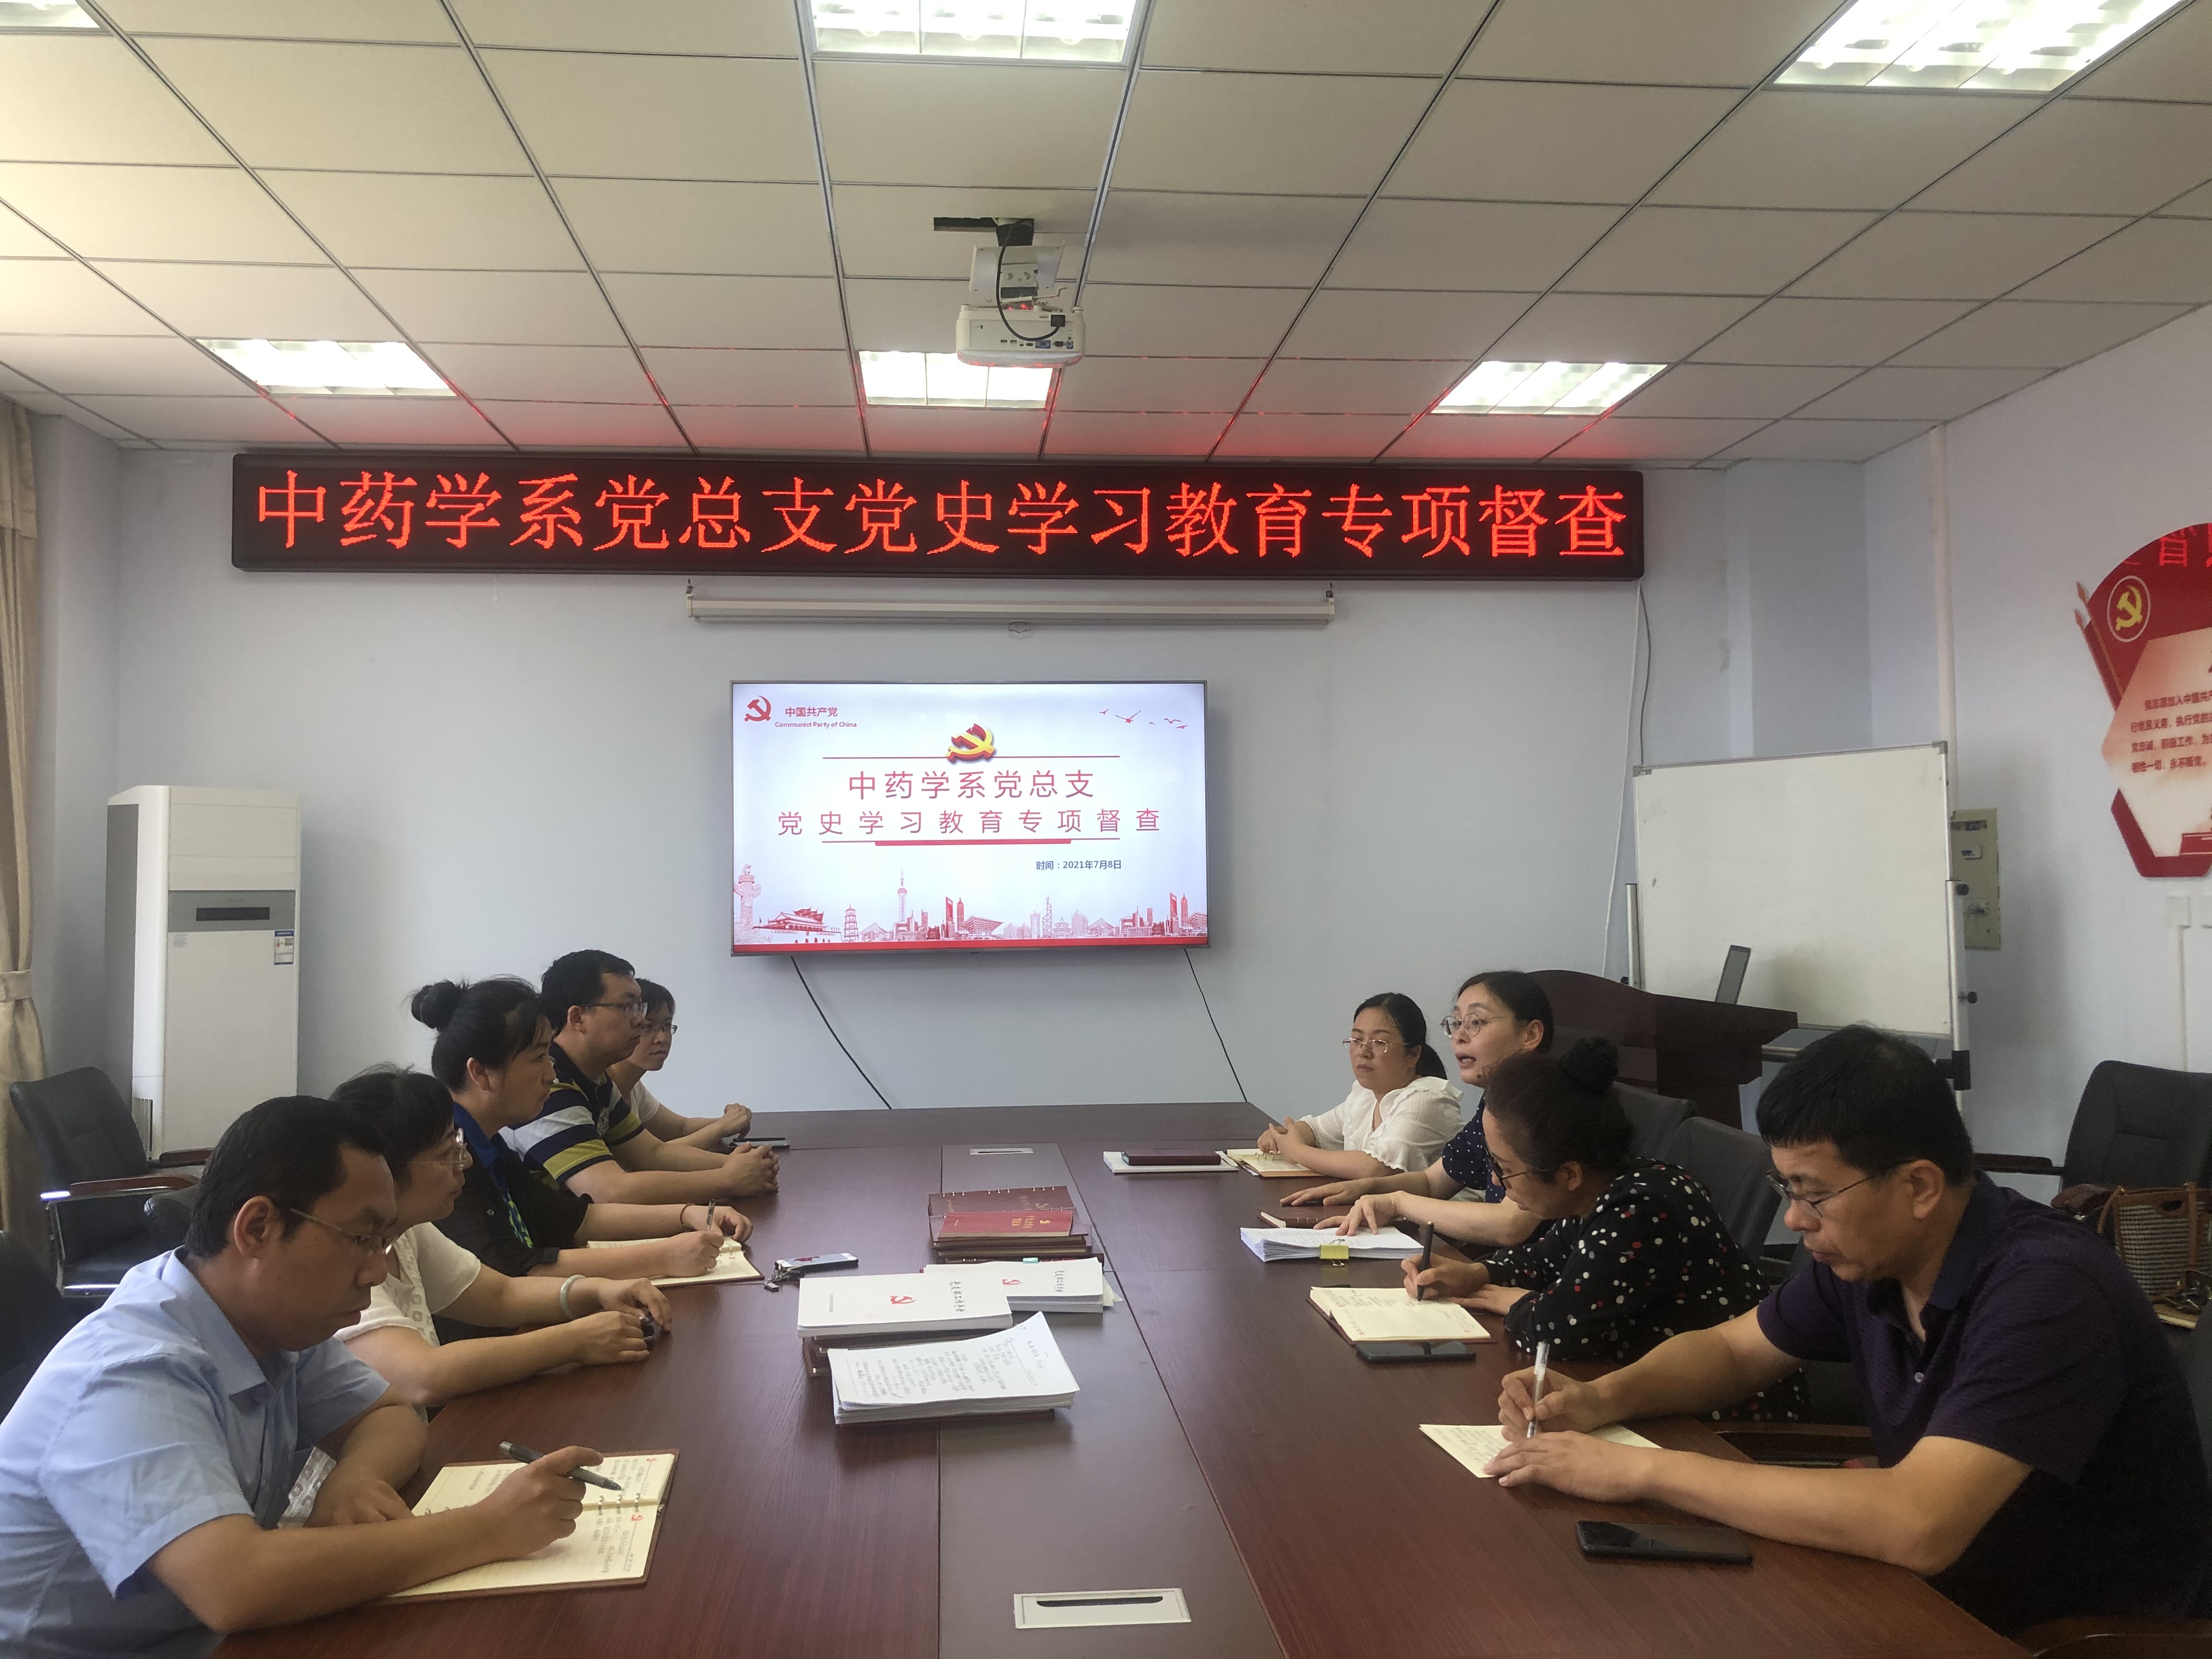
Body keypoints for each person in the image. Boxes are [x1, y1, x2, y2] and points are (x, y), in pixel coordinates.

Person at [1485, 1025, 2212, 1636]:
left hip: (2066, 1631)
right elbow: (1733, 1349)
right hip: (1925, 1593)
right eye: (1785, 1189)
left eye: (1814, 1194)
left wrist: (1641, 1471)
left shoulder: (2049, 1291)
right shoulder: (1868, 1259)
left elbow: (1919, 1523)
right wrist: (1600, 1398)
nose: (1794, 1219)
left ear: (1919, 1186)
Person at [0, 1096, 605, 1655]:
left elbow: (390, 1414)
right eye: (362, 1238)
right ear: (257, 1228)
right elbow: (237, 1584)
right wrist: (487, 1528)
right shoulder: (129, 1374)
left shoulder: (263, 1318)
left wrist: (355, 1477)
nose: (377, 1271)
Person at [1402, 1039, 1802, 1419]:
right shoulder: (1600, 1190)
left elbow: (1559, 1331)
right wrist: (1478, 1273)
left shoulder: (1641, 1208)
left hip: (1715, 1417)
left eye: (1504, 1169)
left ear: (1569, 1174)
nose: (1494, 1179)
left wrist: (1510, 1300)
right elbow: (1544, 1259)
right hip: (1642, 1392)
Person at [330, 1066, 675, 1408]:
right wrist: (576, 1341)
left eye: (458, 1145)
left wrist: (597, 1290)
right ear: (385, 1172)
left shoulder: (408, 1233)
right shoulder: (342, 1259)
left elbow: (501, 1295)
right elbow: (424, 1376)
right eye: (446, 1155)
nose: (464, 1163)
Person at [414, 977, 749, 1285]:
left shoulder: (488, 1143)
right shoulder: (445, 1159)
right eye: (538, 1058)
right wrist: (663, 1256)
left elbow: (577, 1219)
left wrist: (688, 1214)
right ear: (481, 1073)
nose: (550, 1074)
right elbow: (514, 1269)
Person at [1283, 970, 1551, 1251]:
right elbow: (1432, 1182)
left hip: (1526, 1269)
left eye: (1476, 1022)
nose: (1459, 1037)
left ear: (1530, 1034)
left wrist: (1398, 1202)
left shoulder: (1544, 1105)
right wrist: (1363, 1189)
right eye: (1456, 1023)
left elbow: (1510, 1224)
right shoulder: (1495, 1105)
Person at [503, 950, 777, 1205]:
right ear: (578, 1018)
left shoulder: (596, 1079)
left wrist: (743, 1165)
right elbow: (609, 1191)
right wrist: (727, 1179)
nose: (639, 1020)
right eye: (627, 1007)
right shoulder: (550, 1083)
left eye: (640, 1008)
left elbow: (653, 1154)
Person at [1253, 992, 1461, 1179]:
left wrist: (1297, 1151)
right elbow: (1316, 1130)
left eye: (1379, 1042)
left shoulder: (1428, 1098)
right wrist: (1284, 1136)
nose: (1364, 1051)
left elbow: (1376, 1168)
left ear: (1413, 1055)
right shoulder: (1365, 1094)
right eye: (1357, 1040)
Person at [606, 978, 755, 1150]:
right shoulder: (603, 1088)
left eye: (667, 1026)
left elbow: (681, 1128)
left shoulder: (633, 1087)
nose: (662, 1038)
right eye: (648, 1027)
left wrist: (731, 1121)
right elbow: (650, 1156)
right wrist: (721, 1128)